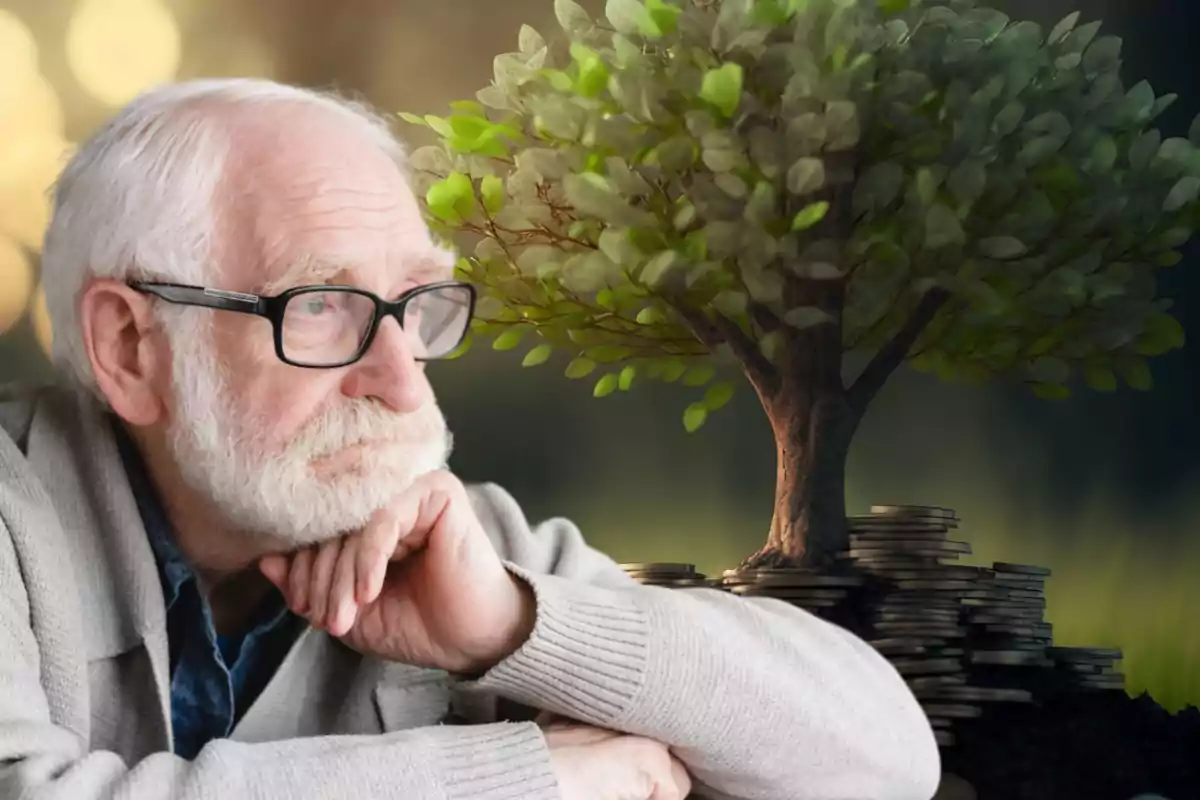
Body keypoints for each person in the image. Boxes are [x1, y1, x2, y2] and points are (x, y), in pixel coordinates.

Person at [0, 78, 941, 800]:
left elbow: (887, 760)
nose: (404, 379)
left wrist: (513, 623)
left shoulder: (444, 539)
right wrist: (530, 778)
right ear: (129, 346)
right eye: (321, 305)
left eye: (415, 305)